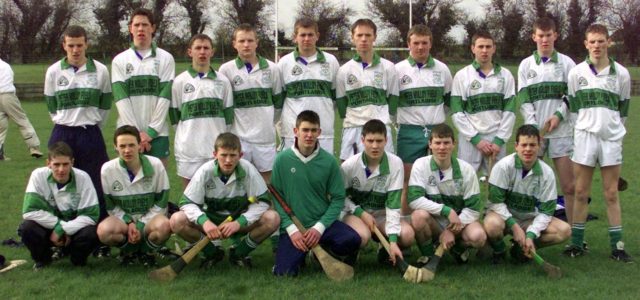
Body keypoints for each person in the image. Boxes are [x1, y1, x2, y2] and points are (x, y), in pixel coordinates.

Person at [564, 24, 632, 262]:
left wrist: (610, 128)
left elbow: (623, 109)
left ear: (608, 42)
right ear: (586, 44)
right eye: (592, 41)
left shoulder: (621, 73)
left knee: (611, 193)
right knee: (581, 192)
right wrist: (586, 126)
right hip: (584, 137)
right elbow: (573, 109)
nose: (597, 46)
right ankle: (576, 244)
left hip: (611, 139)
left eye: (601, 41)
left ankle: (618, 247)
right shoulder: (576, 73)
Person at [170, 133, 279, 268]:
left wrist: (239, 222)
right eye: (223, 155)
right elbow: (186, 203)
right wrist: (205, 223)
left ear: (240, 155)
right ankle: (212, 252)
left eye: (233, 155)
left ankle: (239, 252)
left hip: (239, 222)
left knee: (272, 218)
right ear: (215, 154)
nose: (228, 160)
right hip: (212, 223)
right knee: (176, 220)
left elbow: (263, 202)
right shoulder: (205, 171)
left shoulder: (248, 170)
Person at [271, 110, 360, 276]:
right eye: (305, 130)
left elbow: (338, 199)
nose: (309, 135)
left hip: (322, 225)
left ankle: (324, 251)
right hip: (295, 228)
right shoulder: (281, 160)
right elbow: (277, 199)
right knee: (284, 273)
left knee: (352, 240)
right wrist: (291, 229)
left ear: (319, 132)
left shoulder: (328, 162)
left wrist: (319, 228)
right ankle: (302, 254)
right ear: (295, 131)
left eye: (313, 130)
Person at [44, 25, 111, 224]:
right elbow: (51, 105)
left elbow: (105, 105)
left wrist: (92, 126)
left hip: (90, 132)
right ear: (64, 45)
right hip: (62, 132)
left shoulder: (100, 70)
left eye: (79, 45)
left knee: (96, 181)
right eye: (71, 45)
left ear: (86, 45)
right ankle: (57, 228)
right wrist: (65, 121)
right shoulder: (54, 71)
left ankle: (98, 232)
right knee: (58, 180)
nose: (75, 50)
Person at [518, 18, 576, 225]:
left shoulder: (567, 63)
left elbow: (572, 95)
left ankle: (575, 236)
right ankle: (530, 231)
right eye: (540, 36)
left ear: (555, 36)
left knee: (569, 186)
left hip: (562, 132)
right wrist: (533, 127)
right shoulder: (526, 65)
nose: (544, 40)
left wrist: (558, 115)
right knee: (531, 185)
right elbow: (524, 99)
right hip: (536, 135)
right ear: (534, 37)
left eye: (548, 35)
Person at [484, 125, 570, 263]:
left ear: (539, 146)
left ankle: (520, 249)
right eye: (524, 145)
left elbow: (547, 211)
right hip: (504, 218)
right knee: (492, 225)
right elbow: (495, 202)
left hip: (529, 220)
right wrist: (514, 226)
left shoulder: (547, 173)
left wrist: (531, 234)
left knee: (564, 230)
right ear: (516, 146)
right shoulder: (503, 166)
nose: (528, 149)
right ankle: (499, 250)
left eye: (532, 145)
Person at [394, 24, 453, 214]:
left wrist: (434, 119)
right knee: (408, 181)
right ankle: (405, 224)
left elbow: (448, 101)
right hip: (409, 132)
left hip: (436, 130)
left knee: (438, 180)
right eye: (416, 43)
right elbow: (392, 106)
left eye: (424, 43)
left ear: (430, 44)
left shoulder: (442, 69)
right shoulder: (397, 70)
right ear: (408, 44)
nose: (420, 47)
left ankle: (437, 226)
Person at [408, 124, 486, 266]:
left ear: (453, 144)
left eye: (446, 143)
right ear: (430, 144)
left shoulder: (466, 170)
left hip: (459, 223)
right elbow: (414, 200)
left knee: (478, 237)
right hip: (434, 222)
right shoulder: (420, 165)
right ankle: (428, 255)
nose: (442, 147)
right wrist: (446, 210)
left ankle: (458, 249)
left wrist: (451, 231)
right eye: (437, 143)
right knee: (418, 216)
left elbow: (473, 209)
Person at [340, 119, 413, 266]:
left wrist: (392, 240)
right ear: (362, 140)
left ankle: (386, 250)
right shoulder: (349, 166)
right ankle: (352, 250)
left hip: (382, 216)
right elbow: (340, 198)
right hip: (355, 215)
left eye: (379, 141)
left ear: (386, 140)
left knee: (407, 235)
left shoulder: (395, 163)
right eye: (370, 140)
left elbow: (393, 205)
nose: (375, 146)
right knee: (362, 236)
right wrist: (360, 212)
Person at [96, 125, 171, 266]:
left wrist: (141, 224)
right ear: (115, 147)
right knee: (104, 231)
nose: (127, 150)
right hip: (124, 223)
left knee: (165, 226)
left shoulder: (156, 165)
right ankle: (129, 251)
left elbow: (162, 202)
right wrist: (129, 223)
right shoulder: (107, 169)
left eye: (131, 145)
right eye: (122, 146)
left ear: (139, 145)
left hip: (150, 221)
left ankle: (147, 252)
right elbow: (110, 205)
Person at [19, 142, 99, 270]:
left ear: (72, 162)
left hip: (74, 229)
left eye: (65, 164)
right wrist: (58, 226)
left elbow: (91, 215)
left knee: (91, 232)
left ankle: (77, 260)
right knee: (27, 227)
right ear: (48, 163)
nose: (61, 169)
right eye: (56, 164)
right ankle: (43, 259)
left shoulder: (83, 178)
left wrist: (64, 229)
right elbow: (29, 211)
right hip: (49, 229)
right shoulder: (38, 176)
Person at [219, 24, 282, 184]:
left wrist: (267, 122)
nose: (246, 45)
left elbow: (278, 104)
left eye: (250, 40)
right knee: (239, 182)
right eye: (241, 41)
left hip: (265, 137)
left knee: (266, 183)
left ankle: (264, 209)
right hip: (239, 138)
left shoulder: (272, 68)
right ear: (234, 43)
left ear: (257, 42)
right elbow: (225, 105)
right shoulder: (226, 70)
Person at [111, 8, 175, 166]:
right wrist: (136, 135)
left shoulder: (166, 58)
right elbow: (122, 100)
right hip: (127, 135)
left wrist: (150, 133)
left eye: (145, 25)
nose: (141, 28)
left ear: (152, 28)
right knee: (129, 186)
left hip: (158, 134)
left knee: (158, 184)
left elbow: (164, 98)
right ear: (130, 28)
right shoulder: (119, 60)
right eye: (137, 24)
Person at [171, 34, 233, 189]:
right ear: (190, 52)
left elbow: (228, 117)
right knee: (191, 199)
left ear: (212, 52)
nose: (202, 52)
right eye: (198, 48)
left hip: (215, 149)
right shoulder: (179, 81)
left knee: (217, 197)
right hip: (189, 150)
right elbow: (174, 118)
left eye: (206, 48)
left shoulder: (223, 81)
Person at [451, 31, 516, 174]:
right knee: (465, 183)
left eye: (488, 46)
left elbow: (509, 111)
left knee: (497, 185)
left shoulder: (505, 75)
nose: (484, 50)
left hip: (496, 138)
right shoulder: (462, 76)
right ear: (473, 48)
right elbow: (457, 112)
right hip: (470, 138)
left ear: (494, 48)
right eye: (480, 47)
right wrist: (476, 140)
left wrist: (500, 140)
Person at [336, 18, 398, 161]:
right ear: (352, 38)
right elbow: (341, 106)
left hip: (380, 129)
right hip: (353, 128)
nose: (363, 39)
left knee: (385, 173)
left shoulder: (388, 67)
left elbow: (393, 102)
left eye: (368, 35)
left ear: (374, 37)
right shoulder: (344, 70)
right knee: (349, 174)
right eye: (359, 35)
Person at [277, 18, 340, 154]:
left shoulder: (331, 61)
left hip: (323, 132)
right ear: (295, 37)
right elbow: (280, 99)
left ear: (317, 36)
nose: (306, 38)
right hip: (292, 133)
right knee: (293, 173)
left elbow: (335, 98)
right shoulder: (284, 63)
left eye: (310, 34)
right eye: (302, 35)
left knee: (322, 173)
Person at [0, 58, 42, 160]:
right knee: (22, 120)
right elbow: (9, 81)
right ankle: (34, 148)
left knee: (1, 126)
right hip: (7, 95)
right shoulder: (5, 66)